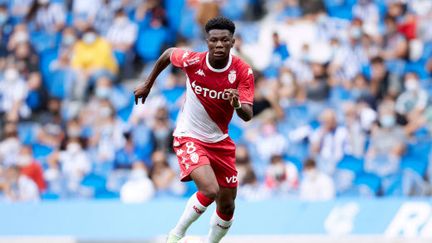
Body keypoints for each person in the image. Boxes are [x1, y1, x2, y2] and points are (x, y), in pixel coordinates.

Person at [134, 16, 254, 243]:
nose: (219, 45)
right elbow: (169, 53)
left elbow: (247, 115)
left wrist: (237, 103)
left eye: (224, 40)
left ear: (232, 42)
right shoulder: (193, 60)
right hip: (189, 136)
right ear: (207, 41)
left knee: (227, 205)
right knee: (210, 190)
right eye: (214, 40)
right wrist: (148, 85)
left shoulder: (242, 71)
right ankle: (176, 234)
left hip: (220, 141)